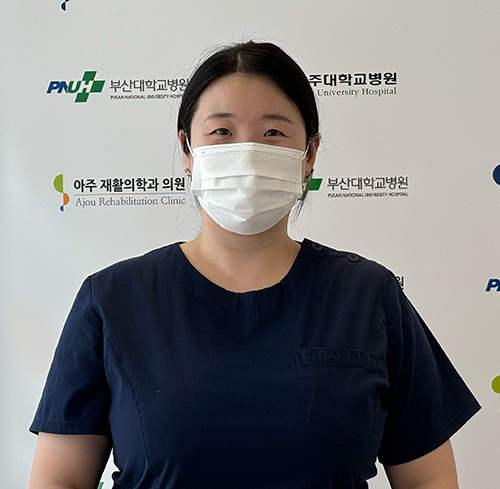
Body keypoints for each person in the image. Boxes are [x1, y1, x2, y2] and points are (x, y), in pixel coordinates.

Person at [29, 41, 480, 489]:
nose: (246, 152)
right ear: (187, 150)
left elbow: (430, 478)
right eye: (222, 131)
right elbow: (59, 480)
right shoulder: (113, 300)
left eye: (273, 133)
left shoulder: (367, 296)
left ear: (309, 155)